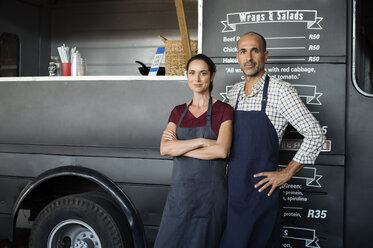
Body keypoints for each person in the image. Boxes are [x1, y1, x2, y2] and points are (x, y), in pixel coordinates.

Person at [220, 32, 326, 248]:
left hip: (261, 195)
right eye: (243, 51)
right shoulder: (234, 93)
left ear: (265, 55)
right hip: (231, 193)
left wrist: (286, 173)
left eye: (255, 50)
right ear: (237, 57)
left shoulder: (281, 91)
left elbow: (315, 134)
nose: (248, 57)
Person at [154, 54, 234, 248]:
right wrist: (202, 141)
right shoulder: (178, 111)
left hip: (211, 198)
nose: (197, 79)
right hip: (180, 196)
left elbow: (222, 151)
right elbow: (165, 148)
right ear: (187, 76)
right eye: (192, 73)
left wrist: (180, 148)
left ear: (212, 76)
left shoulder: (224, 110)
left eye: (203, 73)